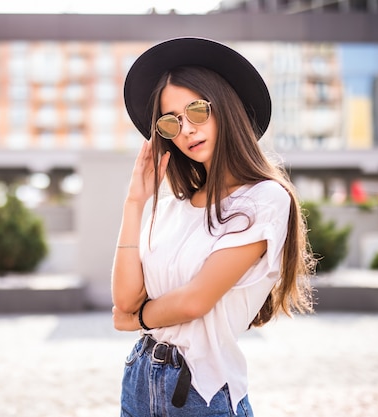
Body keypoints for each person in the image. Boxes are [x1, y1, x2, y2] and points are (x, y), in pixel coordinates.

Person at [111, 37, 315, 417]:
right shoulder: (172, 206)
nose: (186, 129)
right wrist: (135, 202)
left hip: (200, 391)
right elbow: (123, 299)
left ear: (225, 108)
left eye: (198, 111)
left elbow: (194, 301)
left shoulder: (265, 200)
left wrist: (137, 319)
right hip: (139, 379)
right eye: (172, 121)